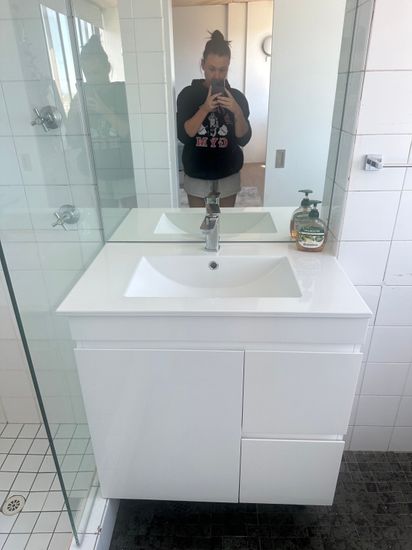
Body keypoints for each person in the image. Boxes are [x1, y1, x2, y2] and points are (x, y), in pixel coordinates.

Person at [177, 30, 252, 207]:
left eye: (222, 70)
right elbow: (184, 135)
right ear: (203, 64)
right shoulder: (188, 95)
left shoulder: (237, 98)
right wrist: (204, 109)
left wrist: (237, 111)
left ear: (228, 66)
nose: (217, 76)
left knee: (225, 221)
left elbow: (243, 139)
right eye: (211, 69)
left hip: (228, 172)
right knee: (198, 221)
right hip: (196, 171)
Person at [67, 34, 136, 208]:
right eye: (87, 74)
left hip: (125, 170)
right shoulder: (81, 96)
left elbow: (128, 133)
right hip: (97, 173)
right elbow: (72, 140)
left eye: (96, 72)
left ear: (107, 67)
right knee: (107, 219)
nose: (92, 78)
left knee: (133, 215)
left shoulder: (122, 91)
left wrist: (103, 110)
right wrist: (73, 114)